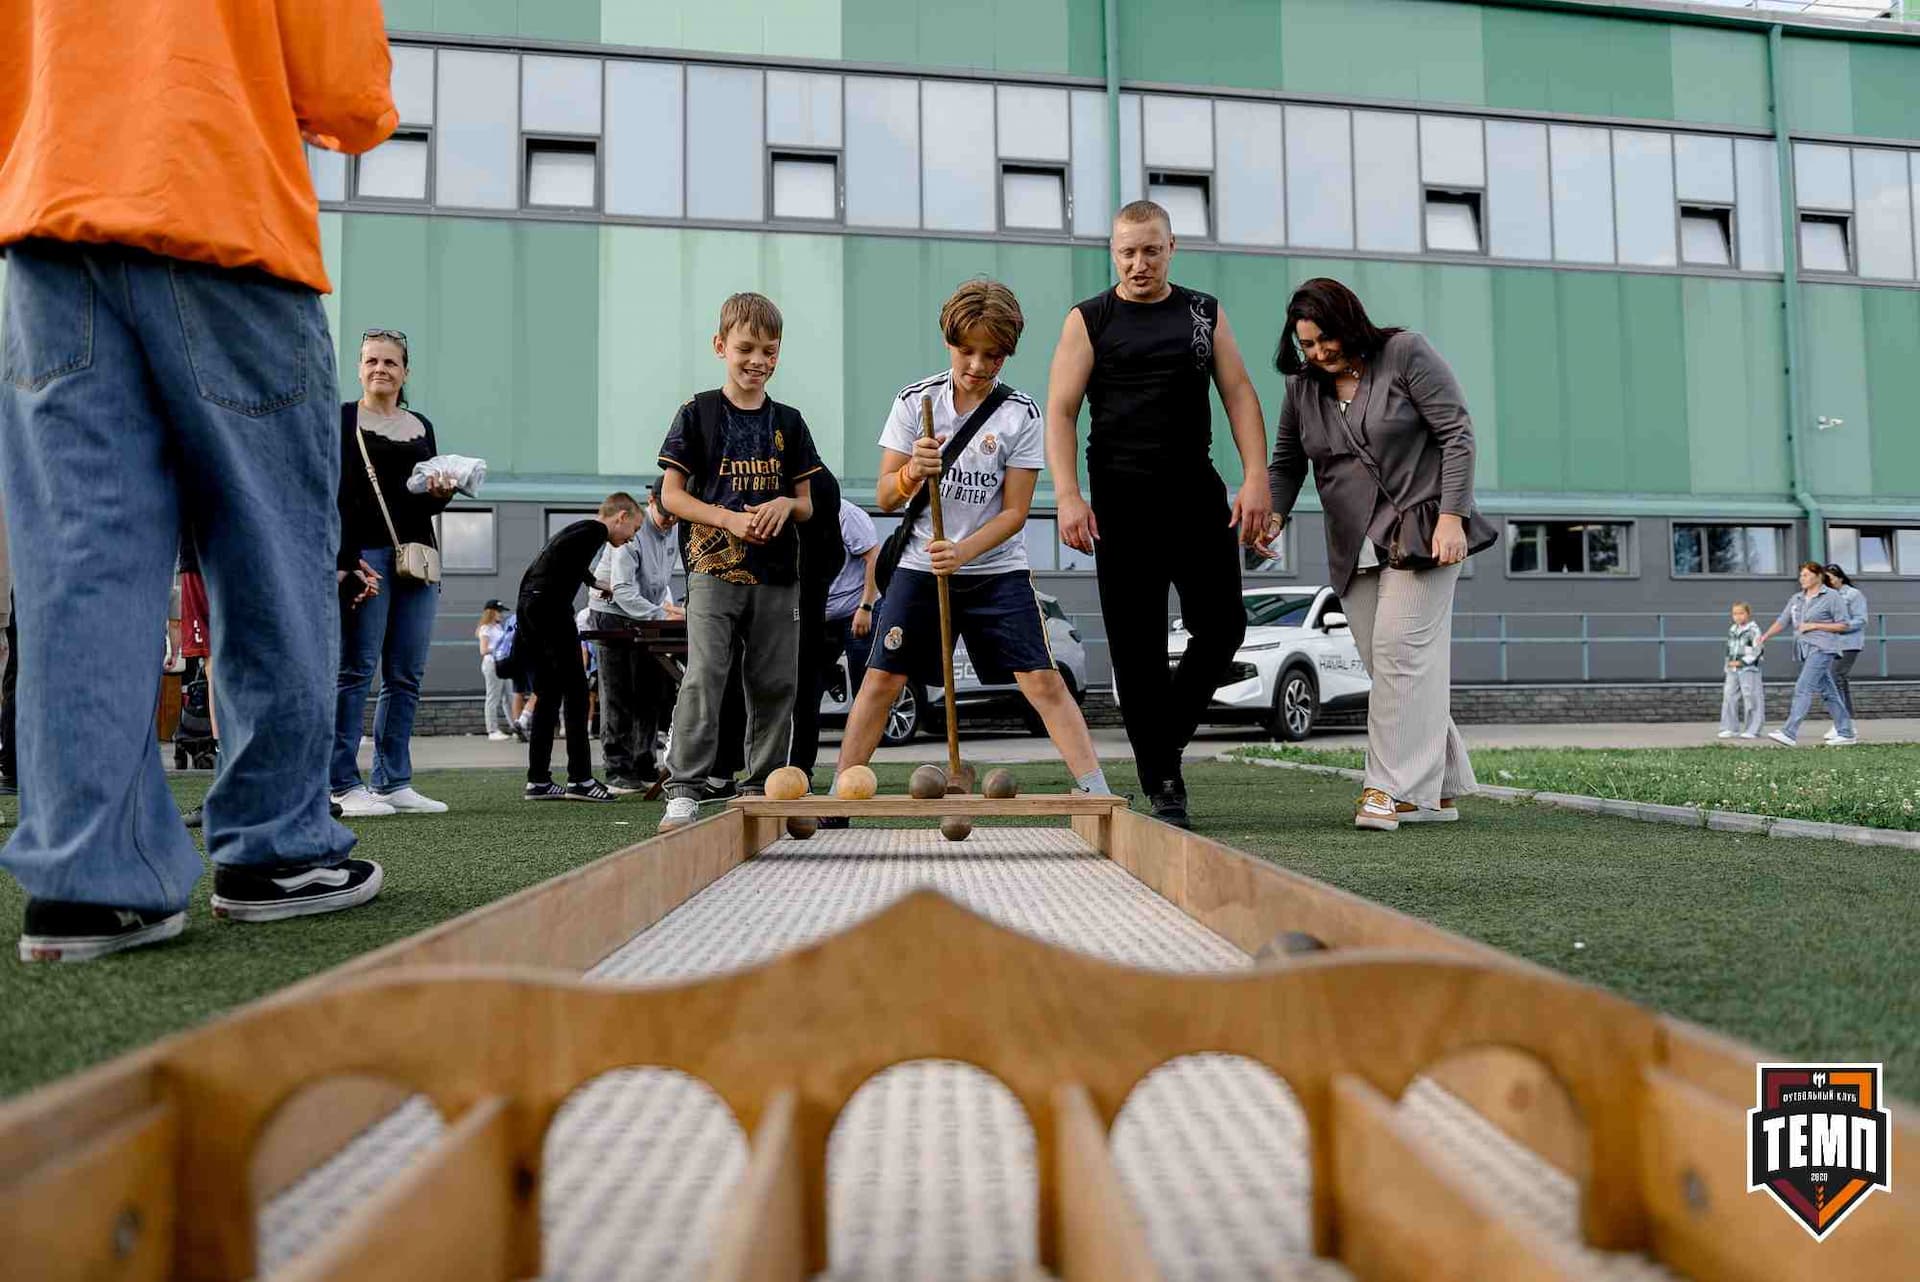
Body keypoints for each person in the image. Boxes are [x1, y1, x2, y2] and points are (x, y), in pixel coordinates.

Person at [0, 0, 393, 960]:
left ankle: (90, 881)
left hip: (48, 219)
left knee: (79, 562)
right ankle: (274, 848)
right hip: (219, 203)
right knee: (267, 550)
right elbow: (348, 95)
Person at [1044, 200, 1271, 828]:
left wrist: (1256, 478)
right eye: (1127, 252)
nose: (1139, 263)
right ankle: (1165, 781)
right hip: (1120, 502)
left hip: (1197, 494)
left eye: (1151, 250)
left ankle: (1161, 740)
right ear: (1112, 253)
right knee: (1137, 649)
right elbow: (1061, 410)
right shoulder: (1089, 319)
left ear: (1171, 247)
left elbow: (1239, 391)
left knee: (1223, 626)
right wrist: (1067, 496)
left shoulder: (1204, 313)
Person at [837, 279, 1109, 797]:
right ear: (949, 342)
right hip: (919, 567)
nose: (978, 365)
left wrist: (962, 551)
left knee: (1041, 679)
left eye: (994, 355)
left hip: (995, 570)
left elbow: (1015, 513)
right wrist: (913, 471)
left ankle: (1095, 789)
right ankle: (840, 798)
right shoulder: (914, 402)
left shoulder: (1019, 415)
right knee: (882, 681)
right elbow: (887, 497)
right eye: (967, 351)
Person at [1263, 278, 1491, 832]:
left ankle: (1384, 791)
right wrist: (1272, 516)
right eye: (1307, 346)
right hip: (1352, 544)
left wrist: (1454, 517)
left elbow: (1456, 433)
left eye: (1325, 342)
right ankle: (1435, 790)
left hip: (1424, 533)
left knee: (1397, 657)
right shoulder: (1303, 388)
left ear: (1349, 323)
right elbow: (1288, 461)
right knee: (1393, 667)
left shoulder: (1405, 354)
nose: (1317, 354)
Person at [656, 293, 822, 832]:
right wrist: (727, 520)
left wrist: (783, 504)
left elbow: (807, 503)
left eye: (769, 350)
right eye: (746, 348)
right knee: (705, 676)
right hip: (712, 572)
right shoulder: (697, 413)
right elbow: (671, 497)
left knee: (776, 683)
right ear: (720, 346)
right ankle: (684, 787)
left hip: (778, 575)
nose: (758, 360)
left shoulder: (790, 422)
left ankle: (763, 786)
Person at [331, 330, 457, 817]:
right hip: (366, 557)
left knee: (405, 674)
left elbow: (419, 498)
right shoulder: (341, 420)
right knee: (357, 670)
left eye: (390, 362)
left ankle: (392, 781)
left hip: (418, 557)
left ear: (405, 372)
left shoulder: (420, 425)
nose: (380, 368)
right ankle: (342, 783)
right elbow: (330, 491)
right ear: (360, 369)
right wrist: (344, 559)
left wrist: (442, 493)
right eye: (371, 361)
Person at [514, 495, 642, 800]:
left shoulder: (578, 531)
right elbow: (566, 560)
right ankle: (581, 779)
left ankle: (539, 780)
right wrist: (590, 582)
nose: (631, 538)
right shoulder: (595, 531)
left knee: (547, 695)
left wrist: (594, 583)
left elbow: (558, 558)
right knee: (576, 693)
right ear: (621, 517)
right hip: (550, 609)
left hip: (530, 606)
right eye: (633, 529)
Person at [591, 484, 684, 794]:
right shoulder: (632, 534)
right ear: (651, 501)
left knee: (650, 693)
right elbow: (623, 590)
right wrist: (661, 614)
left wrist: (666, 609)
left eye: (676, 516)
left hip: (647, 613)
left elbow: (658, 582)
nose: (671, 521)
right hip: (612, 614)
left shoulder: (673, 530)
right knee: (619, 693)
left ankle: (644, 762)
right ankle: (618, 769)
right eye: (667, 514)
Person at [1761, 563, 1857, 748]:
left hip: (1823, 648)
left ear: (1818, 576)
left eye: (1805, 575)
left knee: (1803, 688)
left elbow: (1844, 625)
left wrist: (1814, 626)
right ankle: (1846, 733)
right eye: (1801, 575)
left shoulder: (1831, 596)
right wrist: (1764, 636)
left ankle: (1789, 732)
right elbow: (1783, 621)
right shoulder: (1797, 598)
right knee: (1829, 692)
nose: (1801, 578)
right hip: (1805, 650)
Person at [1824, 563, 1868, 740]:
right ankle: (1845, 723)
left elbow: (1861, 620)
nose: (1828, 582)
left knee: (1835, 678)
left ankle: (1842, 724)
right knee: (1838, 681)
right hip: (1832, 644)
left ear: (1840, 577)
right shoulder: (1828, 596)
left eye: (1831, 578)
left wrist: (1841, 627)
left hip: (1849, 644)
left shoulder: (1853, 594)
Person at [1717, 602, 1764, 740]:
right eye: (1735, 614)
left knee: (1751, 697)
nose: (1737, 616)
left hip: (1749, 669)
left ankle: (1753, 729)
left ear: (1748, 614)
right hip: (1733, 669)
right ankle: (1730, 728)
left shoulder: (1753, 630)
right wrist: (1728, 664)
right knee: (1729, 696)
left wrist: (1742, 661)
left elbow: (1757, 650)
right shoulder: (1732, 629)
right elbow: (1729, 648)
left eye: (1741, 613)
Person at [476, 599, 514, 741]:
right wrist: (501, 648)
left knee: (509, 697)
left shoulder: (498, 627)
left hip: (503, 664)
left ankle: (515, 726)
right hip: (492, 665)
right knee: (493, 697)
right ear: (491, 612)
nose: (501, 614)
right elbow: (483, 650)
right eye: (499, 611)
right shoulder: (485, 628)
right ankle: (492, 730)